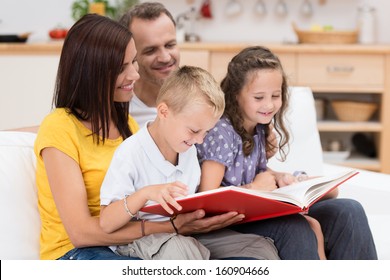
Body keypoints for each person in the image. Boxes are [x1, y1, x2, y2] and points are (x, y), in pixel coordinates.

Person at [33, 14, 242, 260]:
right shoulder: (60, 128)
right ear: (92, 73)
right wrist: (173, 227)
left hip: (132, 242)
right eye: (122, 68)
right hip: (74, 253)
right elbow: (81, 233)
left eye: (134, 62)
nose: (135, 74)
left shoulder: (127, 125)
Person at [196, 46, 378, 260]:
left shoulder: (259, 126)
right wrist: (254, 188)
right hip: (228, 223)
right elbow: (207, 200)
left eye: (275, 95)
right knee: (298, 227)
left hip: (255, 211)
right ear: (236, 95)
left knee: (349, 210)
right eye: (259, 97)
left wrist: (280, 177)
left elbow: (253, 172)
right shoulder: (222, 133)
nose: (269, 105)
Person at [99, 65, 280, 260]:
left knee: (259, 249)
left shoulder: (188, 150)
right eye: (194, 131)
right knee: (182, 250)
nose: (200, 140)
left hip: (184, 232)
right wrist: (145, 194)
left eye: (206, 132)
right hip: (142, 239)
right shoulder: (130, 152)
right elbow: (107, 223)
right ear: (164, 112)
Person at [119, 2, 180, 128]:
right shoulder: (118, 111)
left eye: (170, 45)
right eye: (150, 50)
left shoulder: (197, 98)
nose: (165, 57)